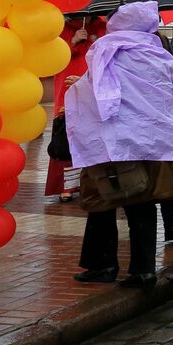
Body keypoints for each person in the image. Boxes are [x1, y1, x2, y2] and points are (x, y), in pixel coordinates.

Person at [65, 2, 173, 288]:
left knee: (102, 198)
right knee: (142, 202)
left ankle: (103, 264)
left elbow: (101, 90)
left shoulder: (107, 47)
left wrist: (78, 85)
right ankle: (143, 270)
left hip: (115, 139)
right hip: (155, 139)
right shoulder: (158, 52)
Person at [45, 14, 106, 203]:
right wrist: (72, 41)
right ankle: (67, 186)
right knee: (66, 140)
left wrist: (97, 41)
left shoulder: (101, 26)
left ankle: (91, 183)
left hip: (94, 92)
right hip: (67, 91)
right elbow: (51, 60)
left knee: (93, 139)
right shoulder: (59, 28)